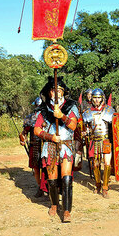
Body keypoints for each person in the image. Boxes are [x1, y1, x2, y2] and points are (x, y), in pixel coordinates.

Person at [34, 76, 79, 222]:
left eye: (59, 90)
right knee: (52, 180)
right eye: (53, 90)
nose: (56, 93)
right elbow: (36, 130)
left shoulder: (71, 106)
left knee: (66, 179)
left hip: (66, 145)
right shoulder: (43, 109)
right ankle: (54, 204)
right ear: (49, 93)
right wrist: (49, 136)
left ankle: (66, 211)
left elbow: (73, 125)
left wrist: (62, 116)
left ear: (63, 92)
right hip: (50, 145)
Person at [82, 88, 115, 198]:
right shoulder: (87, 113)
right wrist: (85, 132)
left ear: (102, 98)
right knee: (95, 165)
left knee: (107, 164)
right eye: (95, 97)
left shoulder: (109, 110)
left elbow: (114, 129)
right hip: (94, 141)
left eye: (98, 97)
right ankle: (98, 184)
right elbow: (85, 128)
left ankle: (105, 187)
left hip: (105, 140)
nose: (96, 100)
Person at [19, 97, 48, 197]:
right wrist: (22, 139)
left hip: (46, 144)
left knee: (46, 168)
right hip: (35, 146)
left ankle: (47, 188)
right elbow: (24, 132)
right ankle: (40, 187)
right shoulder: (31, 118)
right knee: (37, 169)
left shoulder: (47, 116)